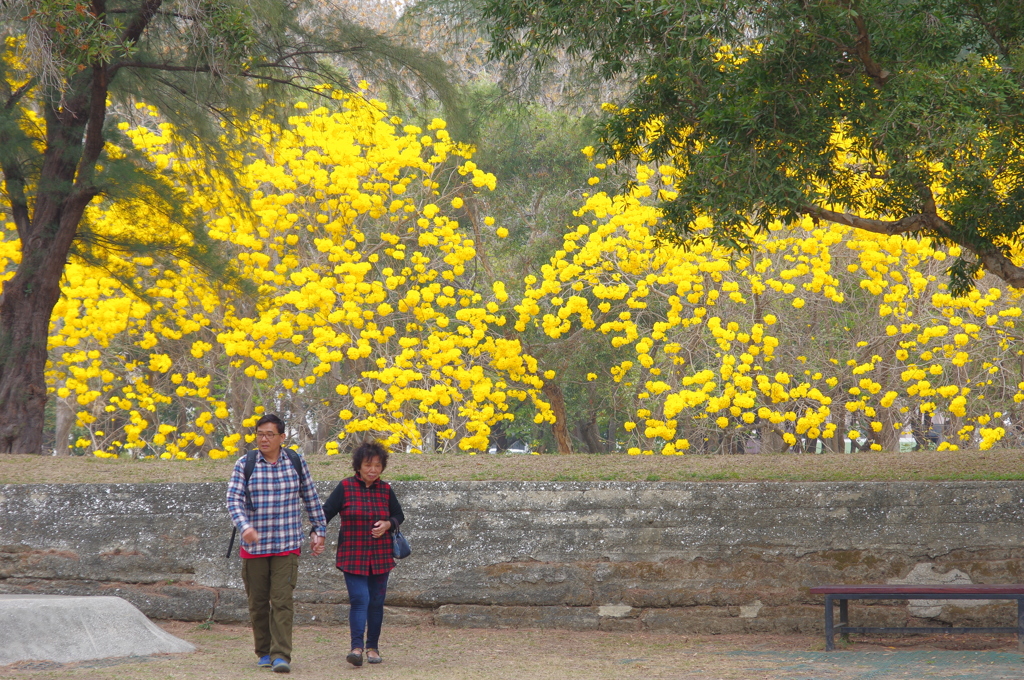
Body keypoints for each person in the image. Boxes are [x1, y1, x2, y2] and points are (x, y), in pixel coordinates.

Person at [226, 414, 327, 674]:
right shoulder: (245, 463)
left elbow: (311, 497)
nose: (264, 439)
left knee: (282, 600)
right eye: (260, 433)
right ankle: (264, 650)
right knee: (257, 602)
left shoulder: (295, 461)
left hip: (287, 544)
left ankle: (281, 655)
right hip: (255, 548)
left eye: (270, 434)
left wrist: (319, 530)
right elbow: (234, 500)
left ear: (282, 437)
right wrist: (245, 527)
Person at [322, 440, 405, 667]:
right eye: (368, 465)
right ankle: (356, 648)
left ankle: (373, 647)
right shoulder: (345, 487)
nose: (373, 470)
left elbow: (399, 515)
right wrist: (316, 533)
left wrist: (388, 524)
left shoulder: (386, 490)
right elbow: (326, 513)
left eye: (378, 465)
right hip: (352, 555)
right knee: (360, 600)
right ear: (358, 466)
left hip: (380, 555)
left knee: (376, 603)